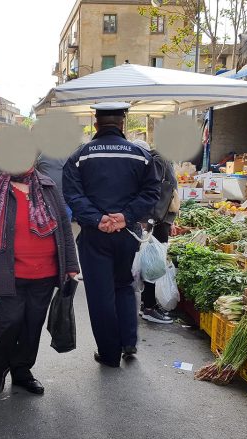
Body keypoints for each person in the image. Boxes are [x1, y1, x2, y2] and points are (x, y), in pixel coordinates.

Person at [63, 102, 161, 368]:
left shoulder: (80, 156)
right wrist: (125, 217)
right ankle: (128, 342)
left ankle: (109, 354)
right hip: (127, 233)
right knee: (124, 286)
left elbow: (72, 194)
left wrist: (98, 218)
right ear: (123, 124)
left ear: (96, 124)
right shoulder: (141, 156)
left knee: (100, 293)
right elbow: (152, 193)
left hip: (95, 235)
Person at [0, 163, 79, 395]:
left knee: (32, 326)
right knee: (10, 324)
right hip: (9, 273)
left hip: (45, 273)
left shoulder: (48, 186)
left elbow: (64, 228)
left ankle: (21, 371)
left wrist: (71, 265)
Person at [131, 139, 178, 325]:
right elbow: (153, 191)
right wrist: (148, 219)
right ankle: (148, 307)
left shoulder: (164, 160)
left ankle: (148, 305)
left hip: (161, 220)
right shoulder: (159, 160)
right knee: (153, 262)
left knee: (154, 260)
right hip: (156, 221)